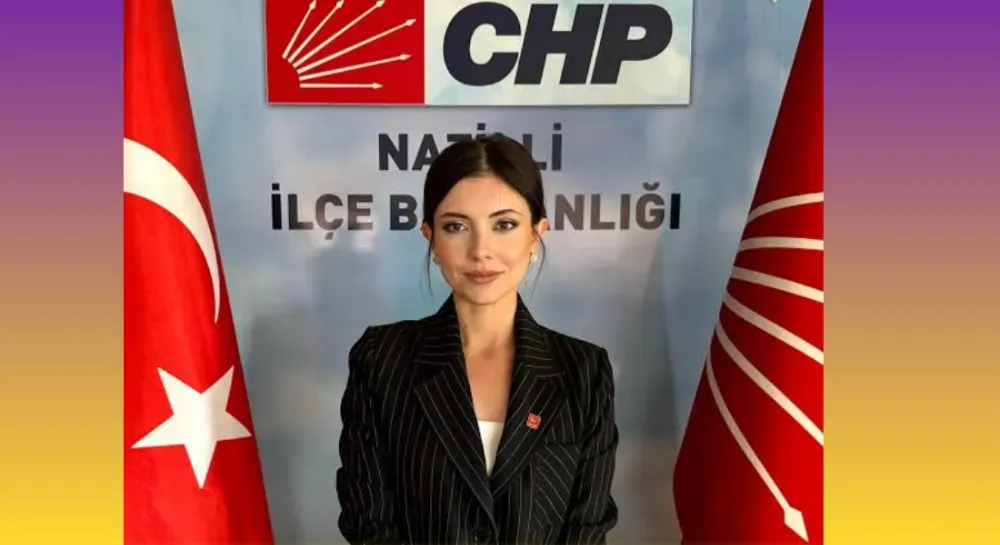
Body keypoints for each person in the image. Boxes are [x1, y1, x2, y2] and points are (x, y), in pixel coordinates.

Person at [336, 134, 619, 544]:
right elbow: (369, 524)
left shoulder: (583, 372)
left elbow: (586, 528)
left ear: (536, 234)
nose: (481, 250)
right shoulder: (382, 360)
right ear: (431, 238)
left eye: (504, 225)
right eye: (456, 226)